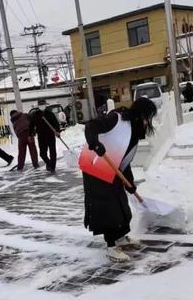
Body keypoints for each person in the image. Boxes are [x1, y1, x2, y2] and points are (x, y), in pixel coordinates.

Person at [79, 97, 158, 262]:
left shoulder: (133, 130)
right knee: (108, 206)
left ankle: (121, 237)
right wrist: (95, 143)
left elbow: (124, 160)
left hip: (112, 168)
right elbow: (91, 125)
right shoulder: (117, 119)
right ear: (140, 114)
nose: (147, 122)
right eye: (146, 117)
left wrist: (129, 184)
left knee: (120, 201)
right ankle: (111, 247)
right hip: (96, 167)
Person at [31, 107, 60, 173]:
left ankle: (52, 167)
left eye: (43, 104)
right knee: (42, 154)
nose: (42, 106)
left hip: (50, 135)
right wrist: (30, 134)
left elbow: (56, 123)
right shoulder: (35, 114)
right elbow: (31, 125)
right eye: (40, 104)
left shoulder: (50, 113)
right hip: (41, 136)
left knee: (53, 153)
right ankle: (49, 163)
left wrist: (57, 131)